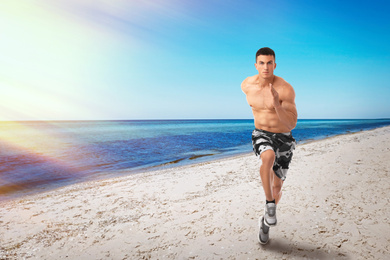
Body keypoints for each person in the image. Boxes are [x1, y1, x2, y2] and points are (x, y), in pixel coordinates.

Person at [241, 47, 298, 244]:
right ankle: (270, 205)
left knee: (278, 186)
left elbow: (291, 124)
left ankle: (265, 221)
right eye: (262, 63)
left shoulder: (285, 89)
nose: (266, 67)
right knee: (268, 156)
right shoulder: (247, 85)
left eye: (269, 63)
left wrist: (276, 105)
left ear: (275, 64)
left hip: (283, 135)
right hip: (261, 133)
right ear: (256, 65)